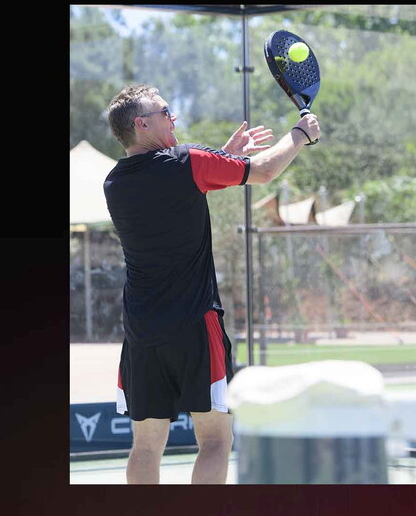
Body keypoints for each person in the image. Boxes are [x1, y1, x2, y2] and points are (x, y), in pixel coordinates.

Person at [103, 84, 321, 484]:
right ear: (142, 124)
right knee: (217, 440)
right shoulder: (187, 162)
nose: (173, 118)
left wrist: (223, 157)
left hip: (141, 332)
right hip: (194, 326)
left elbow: (178, 191)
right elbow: (265, 171)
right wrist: (300, 134)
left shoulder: (114, 183)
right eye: (165, 112)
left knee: (146, 446)